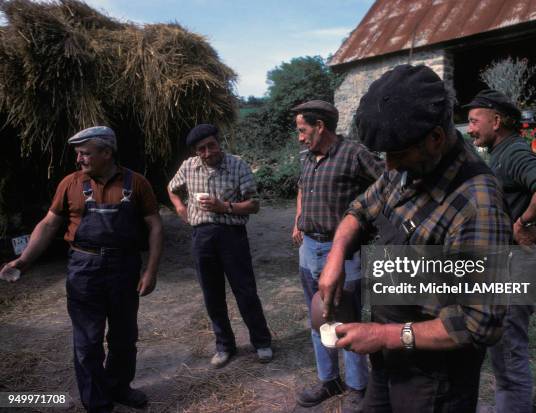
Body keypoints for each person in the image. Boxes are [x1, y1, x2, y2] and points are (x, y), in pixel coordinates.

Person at [316, 65, 513, 412]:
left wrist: (384, 335)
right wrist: (336, 257)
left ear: (435, 138)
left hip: (434, 379)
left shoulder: (477, 204)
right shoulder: (407, 167)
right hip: (388, 356)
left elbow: (481, 322)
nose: (389, 166)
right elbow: (359, 209)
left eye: (397, 155)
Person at [0, 126, 163, 413]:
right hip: (83, 268)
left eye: (85, 153)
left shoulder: (136, 183)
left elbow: (154, 225)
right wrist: (24, 260)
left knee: (124, 337)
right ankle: (96, 402)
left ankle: (119, 387)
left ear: (107, 153)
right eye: (78, 153)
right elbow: (49, 224)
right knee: (87, 341)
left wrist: (151, 270)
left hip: (124, 267)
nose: (79, 159)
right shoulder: (70, 184)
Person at [466, 89, 536, 413]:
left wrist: (522, 222)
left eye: (473, 121)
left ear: (496, 121)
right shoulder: (501, 152)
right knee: (502, 351)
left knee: (510, 358)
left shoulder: (512, 153)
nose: (469, 129)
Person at [291, 100, 384, 411]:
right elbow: (302, 189)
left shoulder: (355, 154)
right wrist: (298, 220)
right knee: (318, 318)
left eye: (303, 130)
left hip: (343, 251)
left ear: (320, 126)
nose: (300, 137)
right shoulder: (307, 157)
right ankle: (329, 380)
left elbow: (387, 186)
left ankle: (359, 386)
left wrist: (368, 226)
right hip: (309, 249)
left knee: (347, 318)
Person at [167, 124, 272, 368]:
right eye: (201, 149)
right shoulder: (188, 167)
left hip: (232, 235)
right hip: (201, 237)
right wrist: (180, 208)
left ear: (219, 142)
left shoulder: (237, 165)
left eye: (211, 145)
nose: (207, 152)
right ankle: (224, 346)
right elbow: (171, 188)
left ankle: (262, 342)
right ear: (196, 151)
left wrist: (224, 207)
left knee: (245, 291)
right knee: (212, 295)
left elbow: (254, 204)